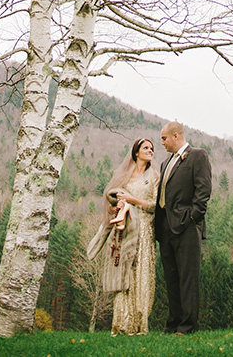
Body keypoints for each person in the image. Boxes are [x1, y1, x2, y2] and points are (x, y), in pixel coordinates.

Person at [87, 137, 160, 335]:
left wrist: (132, 199)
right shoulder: (123, 177)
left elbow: (155, 205)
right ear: (136, 152)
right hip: (126, 229)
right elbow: (112, 201)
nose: (150, 150)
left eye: (152, 148)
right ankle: (121, 324)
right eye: (146, 148)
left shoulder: (154, 177)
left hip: (145, 229)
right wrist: (119, 205)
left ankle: (139, 325)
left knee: (142, 274)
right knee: (125, 273)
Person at [155, 121, 212, 335]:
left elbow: (203, 191)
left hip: (187, 227)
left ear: (176, 136)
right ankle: (173, 323)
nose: (161, 143)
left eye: (164, 138)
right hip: (165, 228)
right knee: (171, 278)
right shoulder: (165, 163)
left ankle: (187, 326)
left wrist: (192, 219)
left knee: (188, 278)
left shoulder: (198, 156)